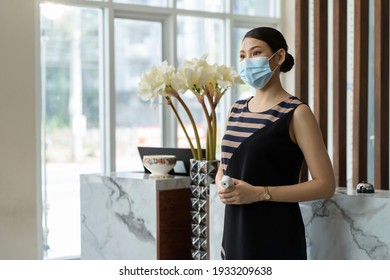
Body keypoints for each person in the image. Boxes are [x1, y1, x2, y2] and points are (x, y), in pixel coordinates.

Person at [215, 26, 336, 260]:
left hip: (276, 238)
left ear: (279, 57)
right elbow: (224, 166)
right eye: (242, 55)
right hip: (235, 235)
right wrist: (222, 183)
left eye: (256, 53)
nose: (247, 61)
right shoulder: (236, 110)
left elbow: (325, 185)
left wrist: (259, 194)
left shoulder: (296, 113)